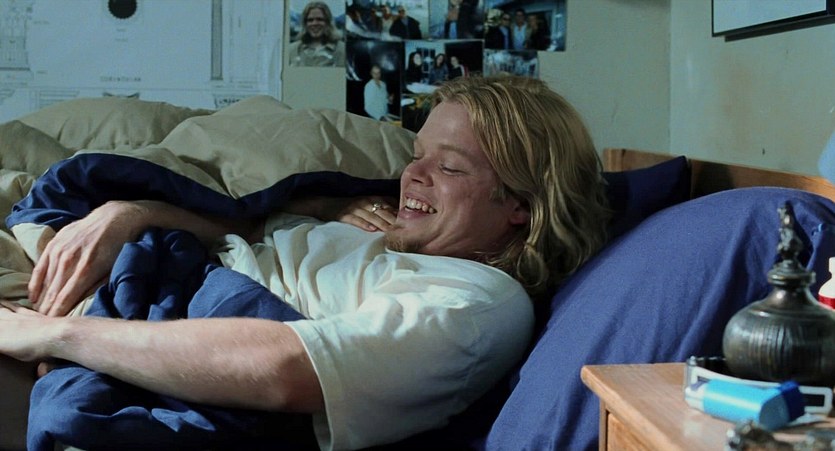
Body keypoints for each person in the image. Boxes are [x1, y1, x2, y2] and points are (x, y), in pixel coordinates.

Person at [0, 76, 611, 450]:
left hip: (128, 325)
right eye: (417, 154)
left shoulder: (476, 304)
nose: (412, 175)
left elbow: (285, 368)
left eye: (449, 166)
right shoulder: (384, 231)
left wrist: (56, 334)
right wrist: (132, 213)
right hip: (131, 263)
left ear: (522, 206)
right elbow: (246, 226)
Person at [288, 1, 345, 67]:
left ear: (328, 22)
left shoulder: (343, 50)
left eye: (319, 19)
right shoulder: (291, 50)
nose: (314, 23)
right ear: (305, 23)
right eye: (310, 20)